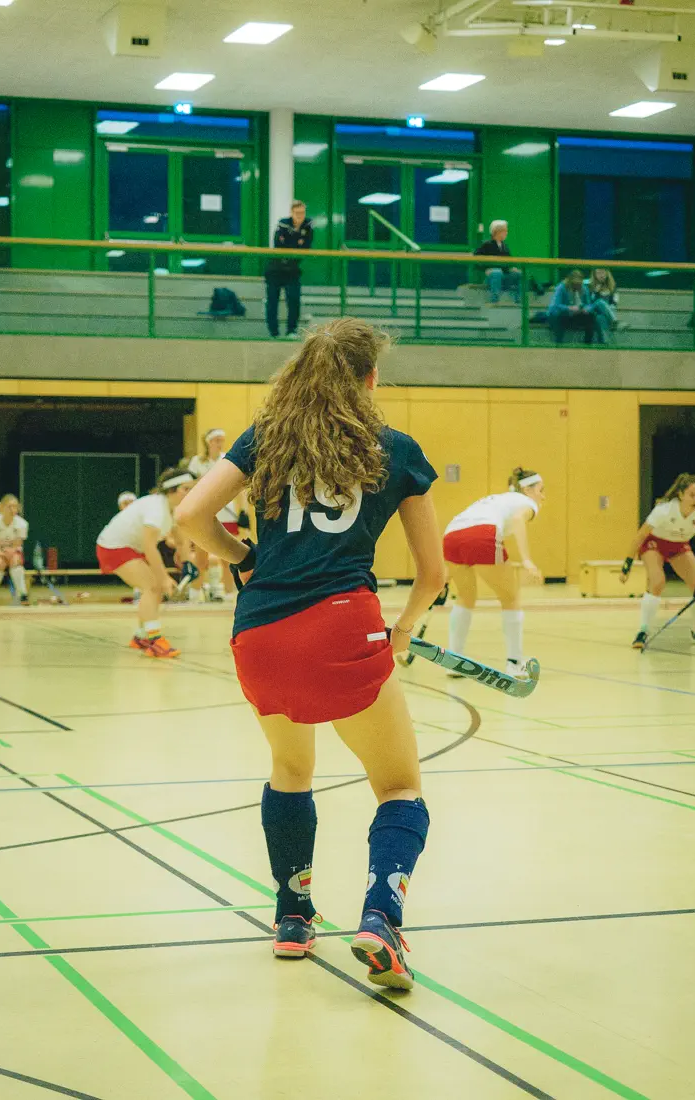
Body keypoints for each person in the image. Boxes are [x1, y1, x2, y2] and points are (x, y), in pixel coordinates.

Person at [175, 318, 445, 990]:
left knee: (290, 768)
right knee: (399, 788)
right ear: (370, 379)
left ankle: (293, 917)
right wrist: (405, 627)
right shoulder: (396, 449)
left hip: (260, 630)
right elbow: (432, 574)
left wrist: (243, 557)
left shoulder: (263, 438)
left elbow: (189, 517)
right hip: (341, 626)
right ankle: (379, 917)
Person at [442, 469, 544, 678]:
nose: (543, 496)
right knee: (511, 597)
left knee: (465, 596)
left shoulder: (498, 499)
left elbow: (464, 531)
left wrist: (444, 577)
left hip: (451, 534)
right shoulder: (525, 503)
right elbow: (517, 520)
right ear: (527, 489)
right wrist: (526, 559)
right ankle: (515, 663)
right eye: (541, 490)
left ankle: (453, 661)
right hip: (481, 533)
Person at [96, 467, 194, 658]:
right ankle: (155, 641)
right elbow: (150, 547)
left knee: (153, 588)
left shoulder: (174, 509)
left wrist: (188, 563)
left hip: (130, 548)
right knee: (153, 587)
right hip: (114, 547)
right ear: (171, 490)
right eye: (186, 489)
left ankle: (141, 636)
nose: (190, 494)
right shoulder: (156, 509)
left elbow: (181, 540)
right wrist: (164, 578)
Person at [621, 474, 695, 648]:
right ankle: (643, 630)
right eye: (692, 495)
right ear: (681, 494)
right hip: (654, 543)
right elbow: (640, 535)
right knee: (657, 582)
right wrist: (627, 563)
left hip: (679, 546)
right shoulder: (664, 510)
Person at [187, 429, 250, 602]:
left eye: (222, 440)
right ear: (208, 442)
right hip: (204, 514)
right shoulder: (196, 462)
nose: (219, 443)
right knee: (201, 558)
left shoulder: (227, 459)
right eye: (216, 440)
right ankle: (195, 594)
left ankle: (230, 594)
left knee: (229, 558)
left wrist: (242, 511)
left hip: (227, 516)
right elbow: (190, 485)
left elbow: (240, 486)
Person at [265, 200, 313, 340]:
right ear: (292, 213)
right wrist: (297, 242)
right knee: (272, 301)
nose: (300, 216)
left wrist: (292, 242)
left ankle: (291, 330)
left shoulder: (308, 226)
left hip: (292, 270)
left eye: (303, 213)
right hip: (275, 269)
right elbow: (279, 244)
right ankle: (273, 332)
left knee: (294, 300)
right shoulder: (283, 223)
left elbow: (305, 247)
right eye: (297, 213)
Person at [0, 494, 30, 605]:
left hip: (13, 552)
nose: (13, 510)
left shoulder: (22, 524)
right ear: (1, 507)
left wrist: (10, 553)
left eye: (15, 507)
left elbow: (17, 545)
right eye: (10, 506)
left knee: (16, 561)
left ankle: (23, 595)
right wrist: (2, 554)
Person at [472, 220, 520, 304]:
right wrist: (486, 269)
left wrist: (512, 268)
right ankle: (494, 300)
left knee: (519, 274)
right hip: (492, 277)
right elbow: (475, 260)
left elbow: (508, 262)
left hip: (504, 276)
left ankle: (519, 299)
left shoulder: (505, 246)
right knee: (496, 272)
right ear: (497, 232)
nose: (506, 233)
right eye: (504, 231)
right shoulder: (486, 245)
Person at [547, 270, 597, 344]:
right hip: (562, 314)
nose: (576, 287)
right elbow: (556, 305)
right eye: (574, 284)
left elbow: (589, 304)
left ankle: (587, 344)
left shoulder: (584, 288)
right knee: (558, 316)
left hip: (576, 315)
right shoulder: (561, 287)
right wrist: (569, 308)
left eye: (578, 284)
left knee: (591, 317)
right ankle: (558, 344)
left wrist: (586, 309)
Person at [586, 268, 618, 344]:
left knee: (600, 318)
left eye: (603, 273)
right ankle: (614, 320)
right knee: (600, 302)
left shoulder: (613, 287)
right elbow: (589, 303)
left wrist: (611, 306)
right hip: (592, 311)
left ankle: (604, 343)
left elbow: (614, 302)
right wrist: (595, 292)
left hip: (604, 314)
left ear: (607, 274)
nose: (601, 275)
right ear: (594, 275)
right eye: (598, 273)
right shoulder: (590, 286)